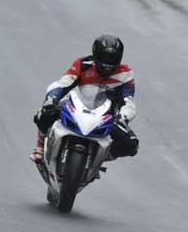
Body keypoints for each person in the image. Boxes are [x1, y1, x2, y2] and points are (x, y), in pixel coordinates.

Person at [30, 34, 138, 163]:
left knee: (131, 144)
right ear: (95, 54)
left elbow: (128, 101)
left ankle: (100, 159)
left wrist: (123, 117)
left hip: (108, 116)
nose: (107, 63)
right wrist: (51, 98)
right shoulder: (83, 64)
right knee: (44, 113)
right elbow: (63, 83)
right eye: (104, 58)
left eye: (112, 58)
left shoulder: (126, 74)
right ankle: (40, 148)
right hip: (78, 105)